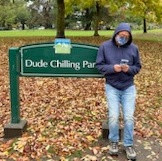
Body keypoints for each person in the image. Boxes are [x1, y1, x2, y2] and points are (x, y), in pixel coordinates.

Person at [96, 22, 141, 160]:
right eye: (121, 35)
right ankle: (114, 142)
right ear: (116, 34)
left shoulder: (133, 48)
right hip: (112, 86)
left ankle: (128, 144)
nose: (123, 38)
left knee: (128, 117)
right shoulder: (105, 47)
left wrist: (129, 69)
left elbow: (138, 67)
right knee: (114, 116)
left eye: (126, 36)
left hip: (128, 87)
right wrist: (112, 68)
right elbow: (99, 65)